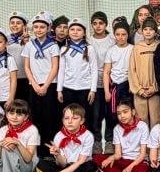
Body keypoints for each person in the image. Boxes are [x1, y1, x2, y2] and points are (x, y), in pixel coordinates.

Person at [38, 103, 100, 172]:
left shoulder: (88, 135)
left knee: (91, 166)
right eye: (66, 118)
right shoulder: (59, 136)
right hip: (64, 166)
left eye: (74, 118)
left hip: (79, 166)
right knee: (41, 164)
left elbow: (80, 161)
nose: (70, 121)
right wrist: (58, 155)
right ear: (63, 121)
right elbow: (62, 164)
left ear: (82, 121)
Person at [22, 11, 60, 147]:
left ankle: (50, 147)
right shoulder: (29, 45)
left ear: (48, 28)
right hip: (34, 85)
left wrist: (45, 86)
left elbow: (55, 67)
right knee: (36, 116)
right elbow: (26, 67)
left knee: (50, 116)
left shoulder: (53, 45)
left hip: (50, 85)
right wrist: (34, 84)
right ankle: (36, 147)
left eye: (42, 27)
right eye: (36, 27)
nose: (38, 30)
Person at [96, 100, 150, 172]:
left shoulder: (142, 126)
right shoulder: (117, 129)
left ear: (133, 112)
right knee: (97, 158)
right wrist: (111, 158)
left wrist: (130, 166)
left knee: (144, 169)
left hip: (137, 162)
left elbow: (142, 155)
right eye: (119, 113)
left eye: (125, 112)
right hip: (122, 160)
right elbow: (118, 154)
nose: (122, 116)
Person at [87, 12, 117, 155]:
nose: (98, 26)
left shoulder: (112, 39)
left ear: (106, 24)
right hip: (93, 84)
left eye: (101, 23)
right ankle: (96, 142)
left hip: (110, 83)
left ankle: (110, 141)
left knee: (111, 114)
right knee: (96, 115)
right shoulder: (87, 40)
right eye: (95, 23)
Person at [56, 17, 97, 112]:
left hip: (85, 88)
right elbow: (61, 70)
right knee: (69, 114)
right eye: (72, 29)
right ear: (68, 32)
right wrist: (59, 90)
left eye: (79, 30)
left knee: (85, 115)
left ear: (84, 33)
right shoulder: (63, 49)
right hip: (67, 88)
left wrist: (93, 90)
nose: (75, 32)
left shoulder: (90, 49)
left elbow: (94, 70)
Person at [129, 17, 160, 127]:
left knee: (156, 120)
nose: (148, 32)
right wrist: (139, 89)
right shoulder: (136, 48)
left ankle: (155, 140)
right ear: (142, 31)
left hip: (154, 90)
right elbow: (132, 70)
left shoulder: (159, 46)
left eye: (151, 29)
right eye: (145, 29)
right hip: (140, 91)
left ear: (155, 32)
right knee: (141, 121)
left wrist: (155, 87)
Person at [103, 19, 133, 132]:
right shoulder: (111, 51)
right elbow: (106, 72)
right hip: (114, 87)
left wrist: (133, 86)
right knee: (113, 115)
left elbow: (135, 70)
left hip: (128, 86)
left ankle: (129, 137)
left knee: (128, 113)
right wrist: (107, 91)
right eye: (118, 34)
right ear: (114, 35)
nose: (120, 37)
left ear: (128, 35)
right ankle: (113, 139)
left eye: (123, 34)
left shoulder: (133, 49)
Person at [6, 11, 31, 102]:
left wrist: (27, 43)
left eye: (18, 23)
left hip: (25, 78)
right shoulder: (5, 39)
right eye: (12, 23)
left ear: (24, 26)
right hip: (8, 79)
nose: (15, 25)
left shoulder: (31, 40)